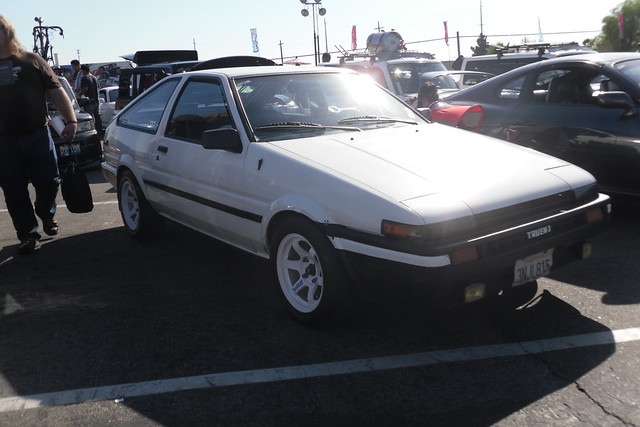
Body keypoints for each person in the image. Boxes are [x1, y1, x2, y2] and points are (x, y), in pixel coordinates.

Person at [0, 15, 77, 254]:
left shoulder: (32, 60)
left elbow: (56, 91)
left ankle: (46, 212)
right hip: (4, 141)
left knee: (49, 181)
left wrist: (71, 119)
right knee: (14, 191)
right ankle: (28, 234)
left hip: (38, 135)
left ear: (8, 32)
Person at [78, 64, 103, 135]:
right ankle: (100, 133)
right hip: (96, 100)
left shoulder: (84, 78)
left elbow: (85, 89)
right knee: (97, 117)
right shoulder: (94, 78)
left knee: (90, 118)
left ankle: (92, 133)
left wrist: (79, 95)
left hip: (88, 101)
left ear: (83, 70)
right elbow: (98, 88)